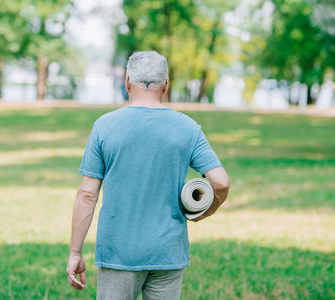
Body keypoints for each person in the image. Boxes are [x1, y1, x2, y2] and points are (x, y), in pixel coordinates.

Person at [66, 51, 230, 300]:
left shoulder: (105, 126)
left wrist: (75, 253)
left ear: (127, 81)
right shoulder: (188, 128)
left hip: (118, 253)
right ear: (166, 84)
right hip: (168, 253)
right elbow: (221, 182)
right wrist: (203, 211)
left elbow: (87, 194)